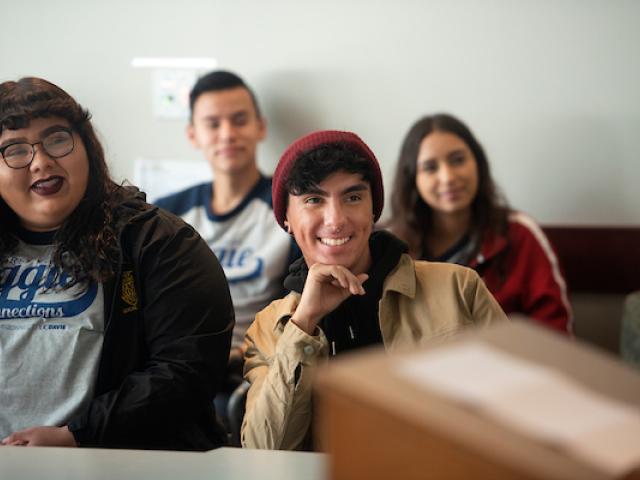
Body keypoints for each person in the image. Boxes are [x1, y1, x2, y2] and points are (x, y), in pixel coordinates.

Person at [0, 77, 234, 450]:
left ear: (86, 147)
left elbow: (186, 371)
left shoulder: (159, 242)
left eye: (57, 139)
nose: (41, 162)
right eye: (14, 150)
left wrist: (77, 435)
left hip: (117, 462)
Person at [241, 130, 507, 450]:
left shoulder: (459, 288)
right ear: (286, 218)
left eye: (353, 197)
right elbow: (263, 452)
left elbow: (521, 412)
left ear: (373, 209)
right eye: (313, 200)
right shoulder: (269, 327)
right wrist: (305, 322)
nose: (336, 220)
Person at [155, 70, 298, 363]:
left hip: (258, 367)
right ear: (193, 135)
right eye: (213, 124)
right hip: (179, 367)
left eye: (240, 120)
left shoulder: (292, 209)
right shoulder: (165, 215)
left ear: (260, 127)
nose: (227, 134)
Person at [388, 114, 572, 334]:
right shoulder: (391, 248)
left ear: (478, 163)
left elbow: (555, 334)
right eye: (430, 167)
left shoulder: (519, 234)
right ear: (412, 179)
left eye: (457, 160)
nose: (447, 177)